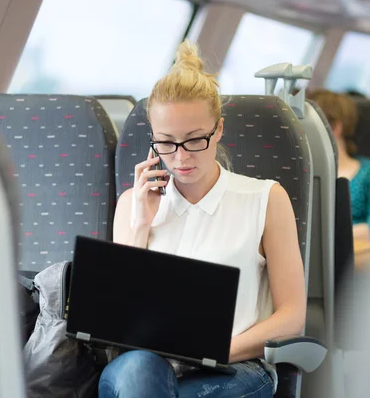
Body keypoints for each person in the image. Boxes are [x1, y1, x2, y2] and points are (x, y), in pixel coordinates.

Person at [99, 40, 306, 398]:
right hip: (144, 366)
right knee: (140, 369)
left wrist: (215, 350)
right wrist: (140, 227)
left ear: (219, 130)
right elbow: (121, 321)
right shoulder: (133, 204)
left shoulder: (265, 199)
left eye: (195, 140)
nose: (180, 158)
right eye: (166, 142)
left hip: (233, 366)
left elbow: (292, 316)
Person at [307, 89, 370, 247]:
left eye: (308, 124)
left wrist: (323, 239)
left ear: (334, 128)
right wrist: (359, 231)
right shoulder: (303, 173)